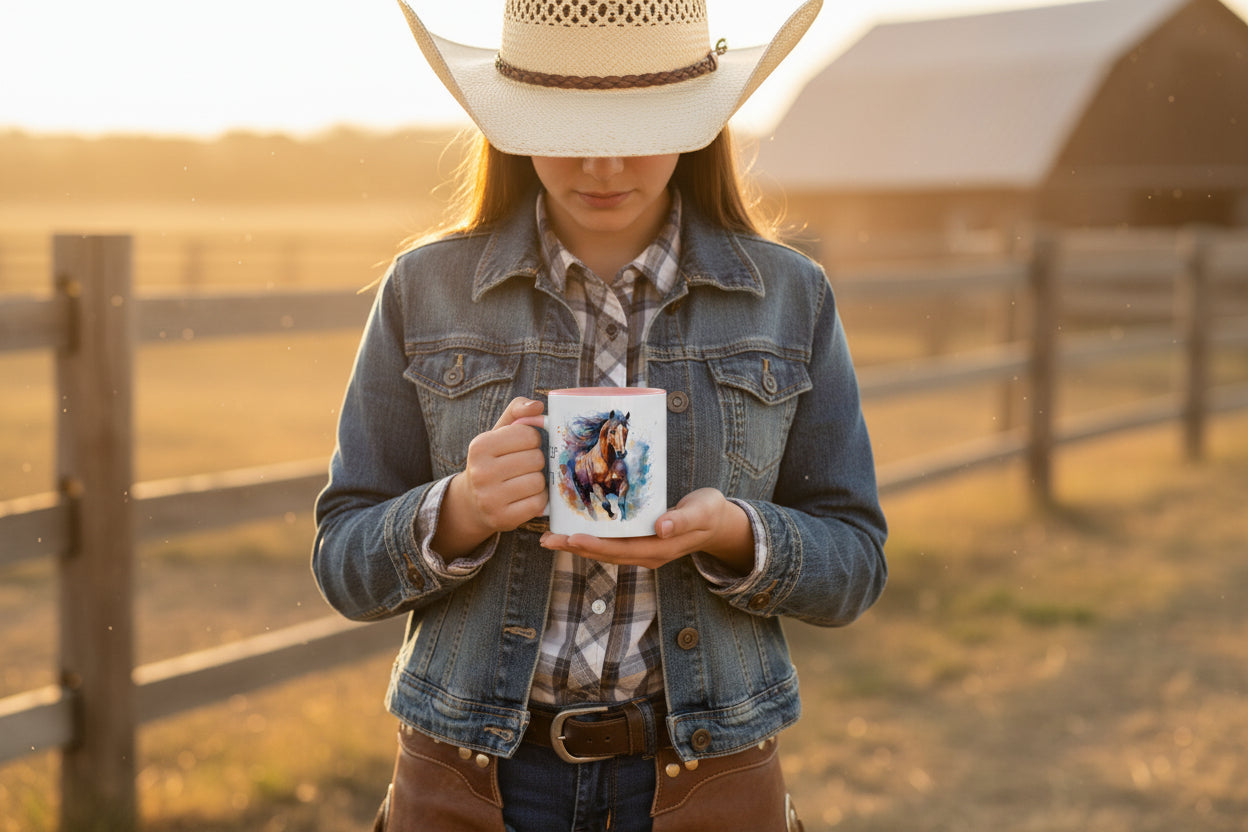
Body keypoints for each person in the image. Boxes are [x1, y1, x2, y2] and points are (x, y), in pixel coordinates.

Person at [312, 0, 887, 829]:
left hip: (705, 780)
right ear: (514, 124)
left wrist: (734, 535)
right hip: (471, 783)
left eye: (642, 124)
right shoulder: (423, 289)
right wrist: (460, 511)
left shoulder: (790, 297)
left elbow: (855, 565)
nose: (604, 162)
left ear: (697, 124)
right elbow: (342, 561)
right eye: (566, 125)